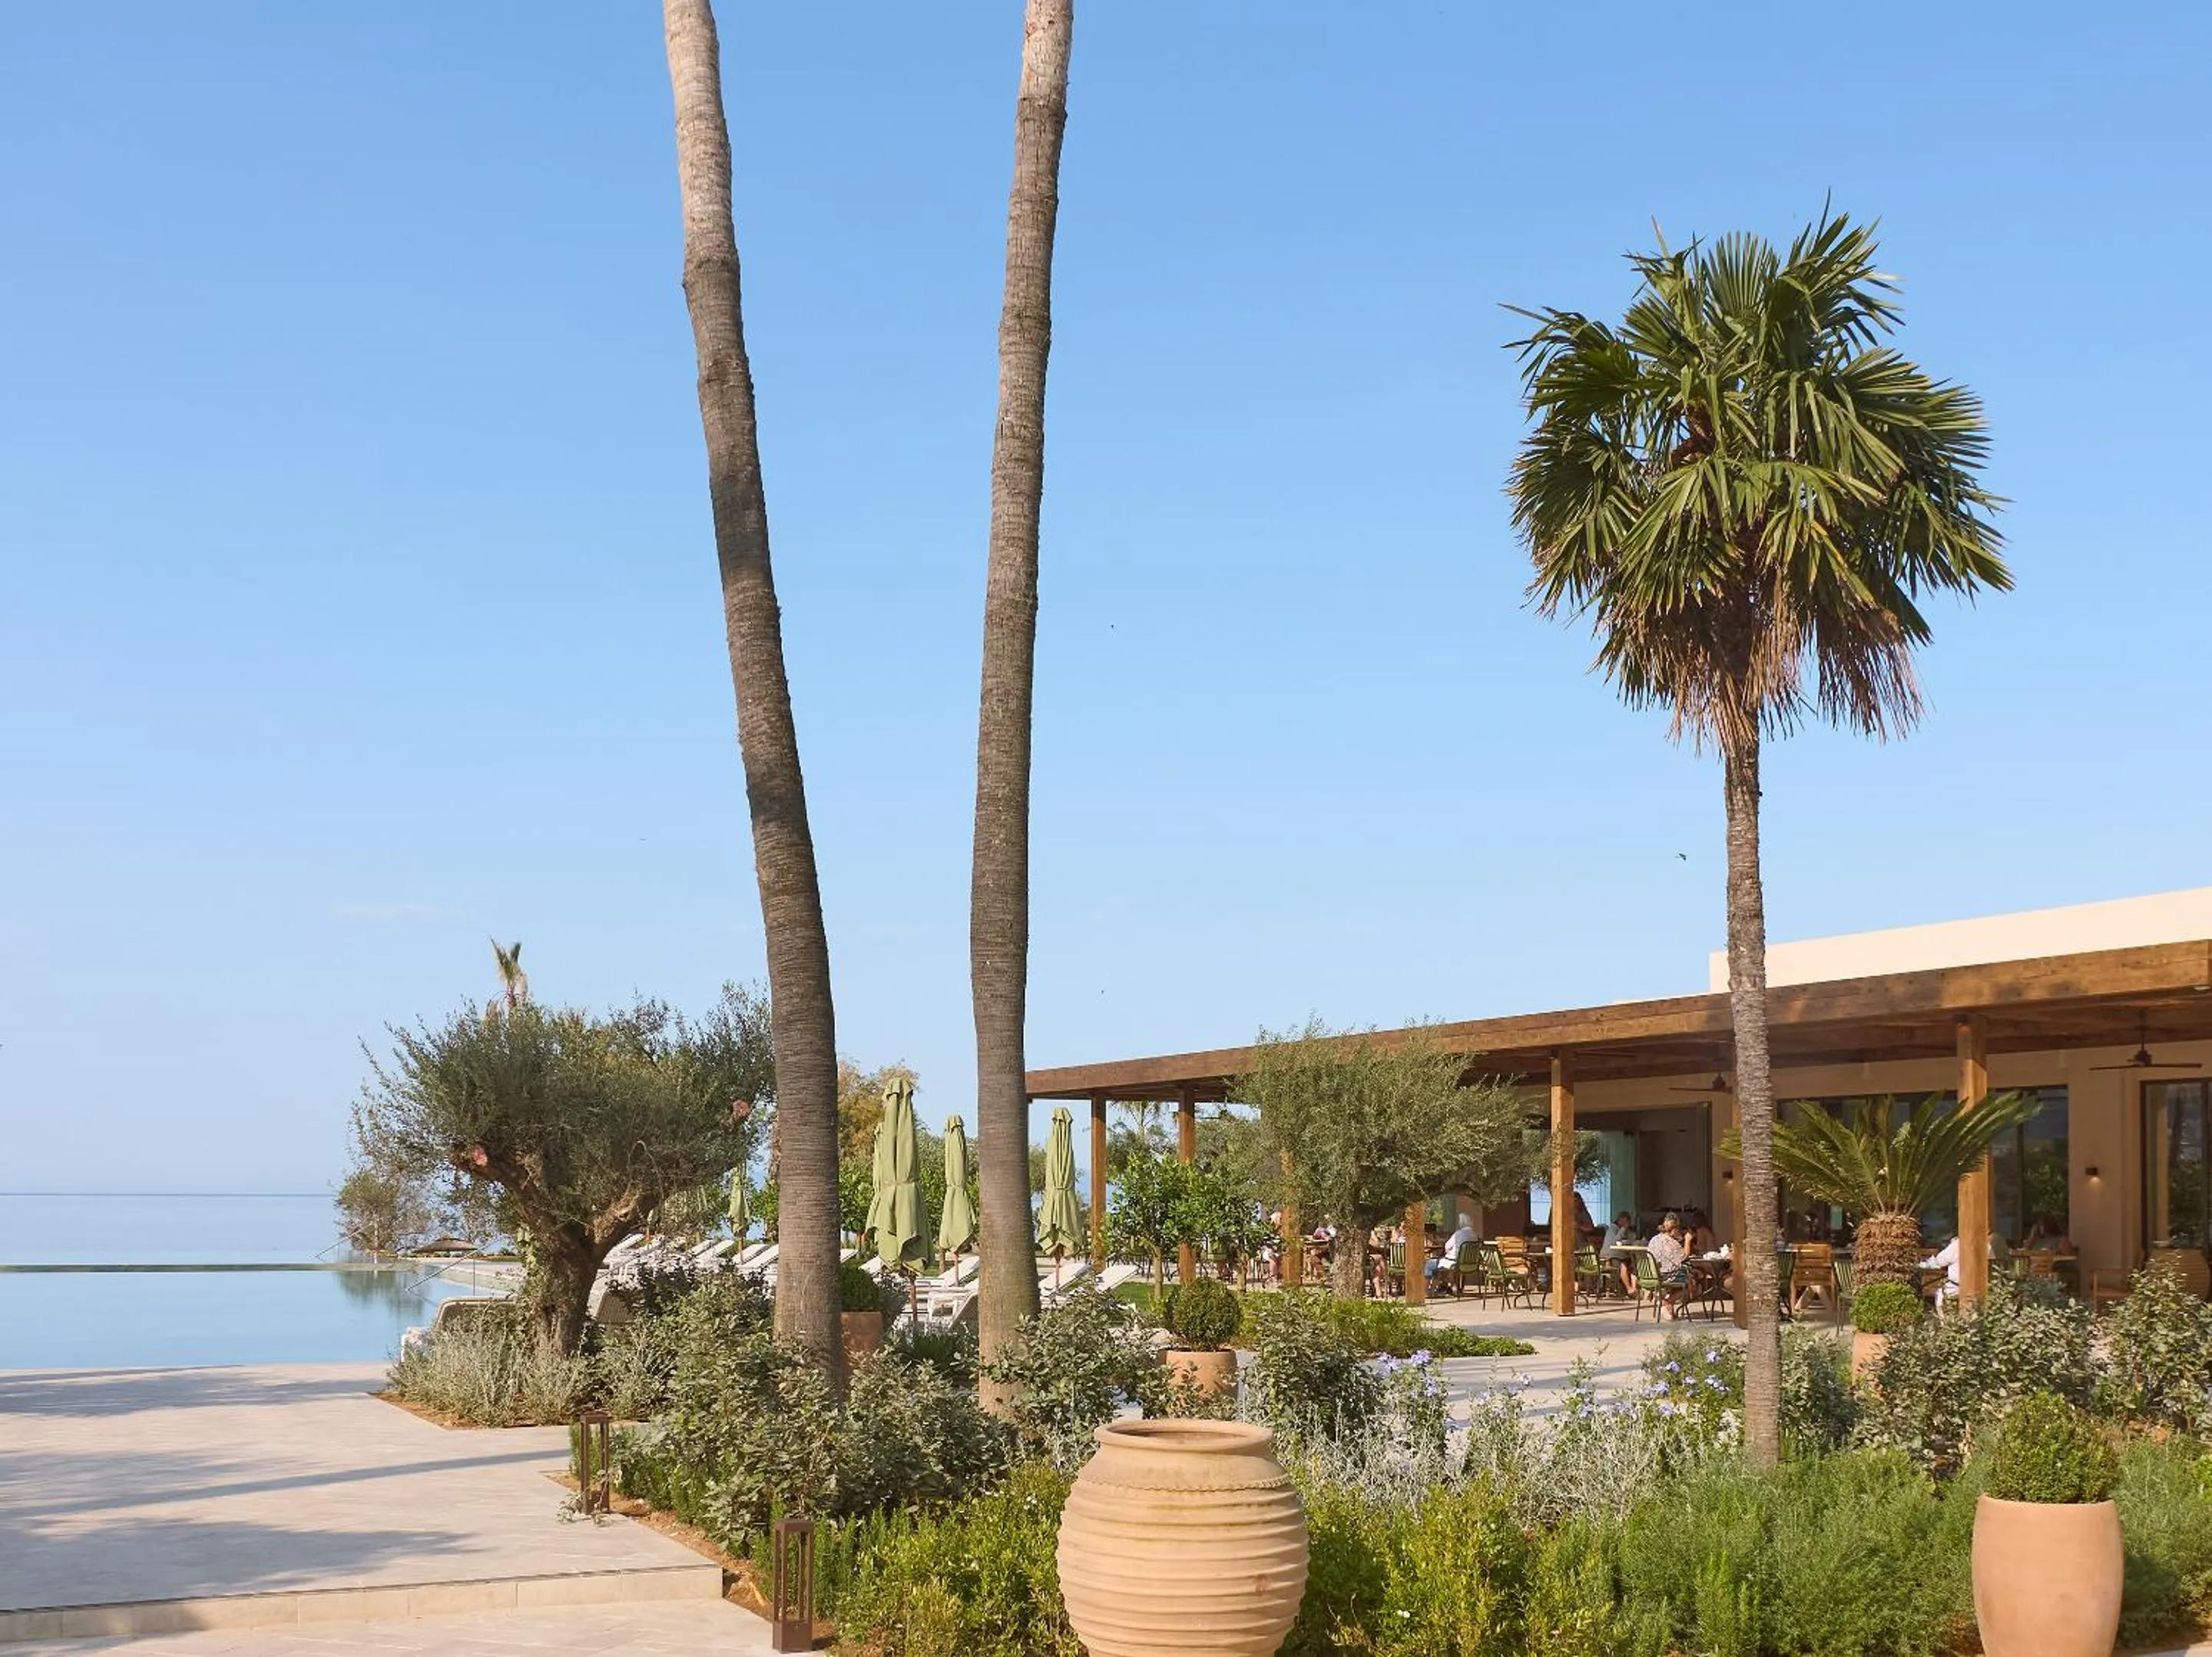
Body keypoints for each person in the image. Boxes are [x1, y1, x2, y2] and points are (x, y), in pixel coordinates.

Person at [1646, 1212, 1690, 1318]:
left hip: (1654, 1275)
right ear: (1674, 1229)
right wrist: (1687, 1240)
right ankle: (1667, 1302)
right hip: (1667, 1276)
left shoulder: (1654, 1239)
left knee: (1681, 1275)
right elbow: (1684, 1258)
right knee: (1691, 1282)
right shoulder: (1672, 1243)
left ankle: (1668, 1309)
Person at [1427, 1216, 1479, 1286]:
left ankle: (1427, 1291)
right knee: (1443, 1266)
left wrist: (1448, 1252)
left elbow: (1447, 1246)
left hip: (1454, 1262)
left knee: (1428, 1264)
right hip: (1470, 1264)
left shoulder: (1458, 1234)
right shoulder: (1474, 1235)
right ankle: (1451, 1285)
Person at [1601, 1210, 1637, 1295]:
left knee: (1632, 1263)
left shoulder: (1621, 1229)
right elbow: (1615, 1241)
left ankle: (1633, 1288)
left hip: (1617, 1254)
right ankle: (1629, 1288)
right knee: (1624, 1265)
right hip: (1609, 1255)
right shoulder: (1613, 1228)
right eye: (1626, 1221)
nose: (1627, 1224)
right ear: (1621, 1219)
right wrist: (1624, 1228)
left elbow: (1630, 1238)